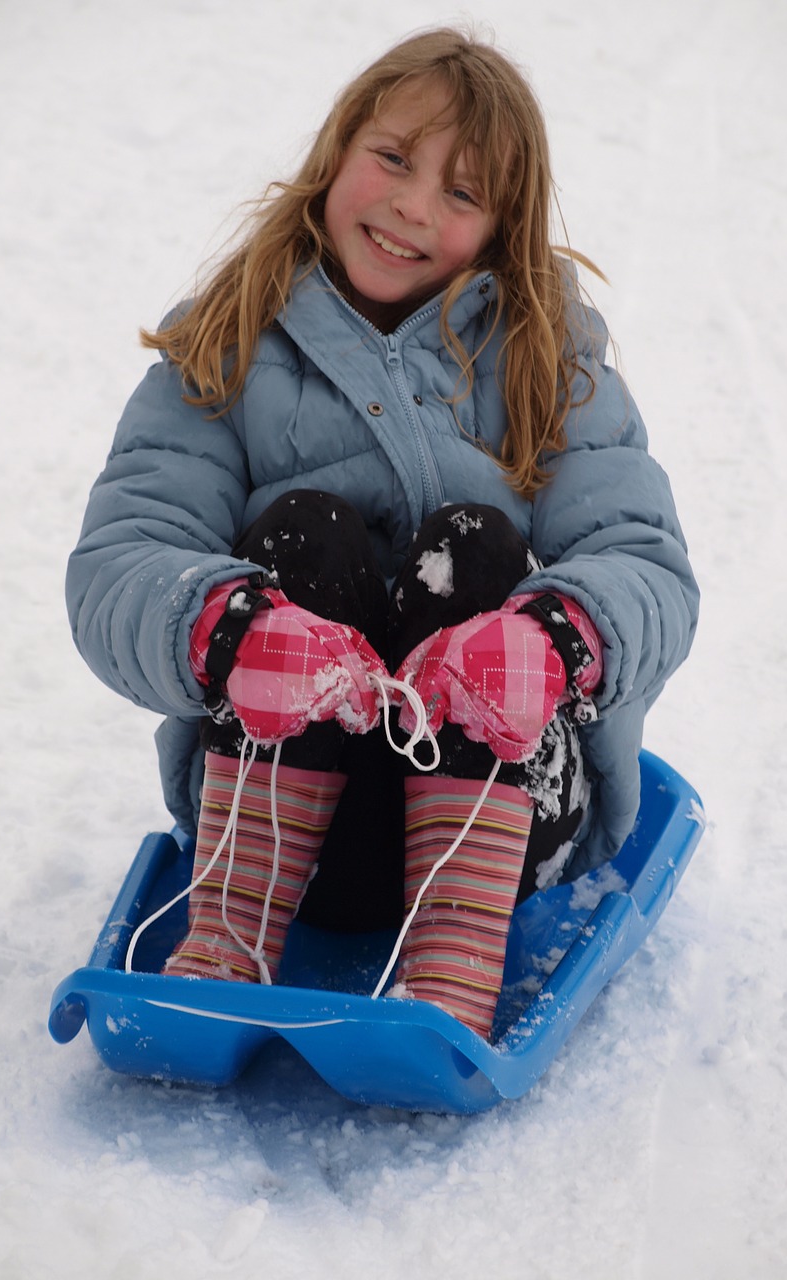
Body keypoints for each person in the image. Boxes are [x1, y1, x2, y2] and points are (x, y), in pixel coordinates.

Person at [66, 28, 698, 1040]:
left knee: (475, 543)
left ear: (502, 227)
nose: (412, 205)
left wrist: (551, 640)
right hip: (292, 834)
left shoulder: (544, 353)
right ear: (336, 155)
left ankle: (450, 958)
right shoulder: (228, 340)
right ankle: (230, 929)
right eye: (394, 158)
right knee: (303, 531)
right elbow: (124, 553)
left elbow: (644, 558)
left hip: (500, 821)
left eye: (462, 192)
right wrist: (227, 630)